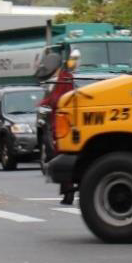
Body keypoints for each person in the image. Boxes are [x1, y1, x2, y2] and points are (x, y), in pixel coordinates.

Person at [40, 49, 79, 205]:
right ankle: (66, 192)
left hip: (63, 125)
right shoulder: (56, 80)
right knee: (58, 156)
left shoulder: (65, 79)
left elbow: (59, 100)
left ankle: (68, 192)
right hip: (57, 125)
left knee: (63, 156)